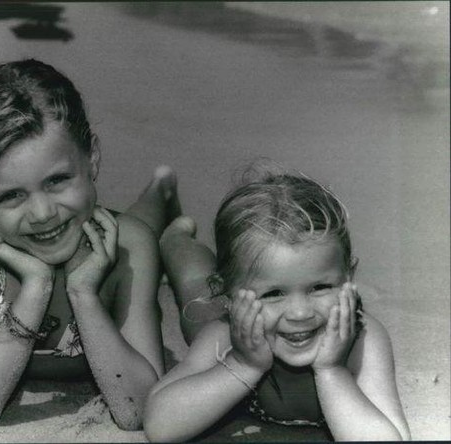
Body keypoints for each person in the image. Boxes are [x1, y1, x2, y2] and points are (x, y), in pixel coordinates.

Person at [0, 59, 179, 430]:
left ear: (92, 158)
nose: (43, 213)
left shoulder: (130, 247)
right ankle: (158, 189)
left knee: (145, 226)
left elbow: (137, 411)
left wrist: (84, 293)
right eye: (11, 195)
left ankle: (163, 189)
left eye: (57, 180)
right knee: (131, 221)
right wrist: (36, 285)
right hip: (83, 223)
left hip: (115, 229)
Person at [144, 164, 411, 441]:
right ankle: (176, 237)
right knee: (194, 286)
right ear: (230, 297)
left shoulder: (362, 340)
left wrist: (331, 371)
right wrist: (243, 364)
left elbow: (393, 437)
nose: (299, 313)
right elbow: (159, 427)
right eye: (273, 293)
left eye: (320, 287)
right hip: (215, 312)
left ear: (348, 279)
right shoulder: (224, 335)